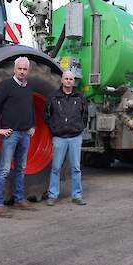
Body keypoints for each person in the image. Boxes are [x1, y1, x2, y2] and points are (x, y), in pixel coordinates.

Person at [0, 57, 36, 217]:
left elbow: (30, 107)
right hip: (12, 134)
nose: (22, 71)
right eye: (19, 69)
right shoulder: (6, 85)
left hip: (25, 135)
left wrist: (33, 125)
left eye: (25, 69)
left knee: (21, 168)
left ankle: (19, 199)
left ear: (28, 71)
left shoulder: (28, 87)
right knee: (4, 169)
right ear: (14, 69)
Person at [43, 70, 88, 206]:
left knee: (76, 168)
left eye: (71, 79)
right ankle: (52, 195)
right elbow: (46, 114)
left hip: (75, 137)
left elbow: (85, 114)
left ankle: (77, 195)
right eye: (66, 78)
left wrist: (80, 127)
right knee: (56, 168)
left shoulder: (79, 96)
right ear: (62, 80)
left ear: (73, 81)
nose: (68, 81)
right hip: (59, 137)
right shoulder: (53, 97)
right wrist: (54, 128)